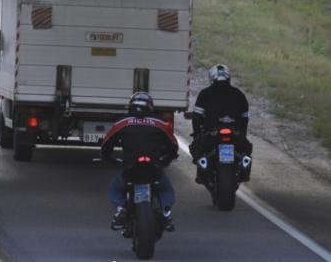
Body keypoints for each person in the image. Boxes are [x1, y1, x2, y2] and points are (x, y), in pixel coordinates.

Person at [101, 92, 179, 231]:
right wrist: (169, 157)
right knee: (166, 189)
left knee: (115, 188)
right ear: (150, 106)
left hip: (130, 167)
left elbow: (107, 143)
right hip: (154, 167)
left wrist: (106, 156)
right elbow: (173, 145)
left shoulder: (121, 122)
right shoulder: (161, 123)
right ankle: (165, 212)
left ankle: (120, 210)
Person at [189, 64, 253, 183]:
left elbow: (196, 117)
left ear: (211, 78)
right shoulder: (238, 93)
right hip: (234, 132)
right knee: (246, 149)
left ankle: (202, 173)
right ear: (228, 77)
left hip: (212, 132)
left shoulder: (205, 93)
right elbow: (245, 117)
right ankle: (244, 170)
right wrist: (242, 133)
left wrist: (197, 133)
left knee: (196, 148)